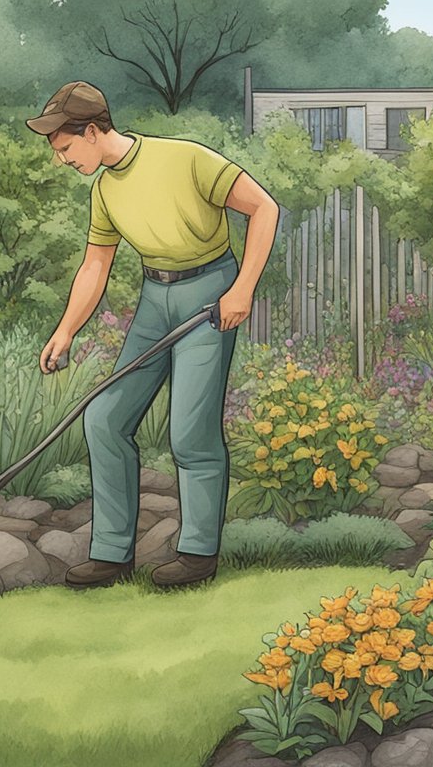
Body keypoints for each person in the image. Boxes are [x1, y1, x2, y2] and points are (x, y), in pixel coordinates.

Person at [27, 80, 278, 589]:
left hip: (209, 293)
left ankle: (197, 553)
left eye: (65, 149)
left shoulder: (184, 158)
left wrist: (242, 288)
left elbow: (264, 207)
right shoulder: (105, 190)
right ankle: (112, 553)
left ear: (92, 130)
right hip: (154, 300)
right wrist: (65, 330)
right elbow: (95, 265)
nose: (63, 161)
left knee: (190, 432)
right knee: (104, 418)